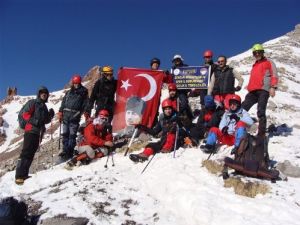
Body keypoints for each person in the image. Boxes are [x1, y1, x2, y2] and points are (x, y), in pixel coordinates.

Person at [15, 86, 54, 185]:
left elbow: (45, 121)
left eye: (45, 93)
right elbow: (25, 114)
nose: (44, 94)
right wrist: (35, 121)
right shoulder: (33, 103)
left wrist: (50, 115)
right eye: (42, 93)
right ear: (39, 94)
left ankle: (24, 174)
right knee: (26, 152)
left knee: (31, 153)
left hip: (38, 133)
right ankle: (19, 175)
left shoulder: (44, 107)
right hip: (30, 130)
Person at [242, 43, 279, 136]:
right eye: (255, 53)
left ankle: (261, 134)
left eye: (259, 52)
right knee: (242, 109)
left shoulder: (269, 62)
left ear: (262, 52)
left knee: (261, 111)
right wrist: (249, 86)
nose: (257, 54)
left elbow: (274, 74)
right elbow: (255, 77)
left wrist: (273, 87)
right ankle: (240, 128)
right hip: (253, 91)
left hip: (263, 90)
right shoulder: (254, 65)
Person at [57, 75, 89, 160]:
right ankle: (65, 150)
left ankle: (69, 152)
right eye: (75, 83)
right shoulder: (68, 92)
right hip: (65, 115)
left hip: (74, 116)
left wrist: (84, 112)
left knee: (72, 135)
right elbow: (63, 103)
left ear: (80, 83)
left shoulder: (83, 92)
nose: (76, 85)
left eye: (77, 83)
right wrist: (60, 111)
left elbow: (86, 103)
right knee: (65, 134)